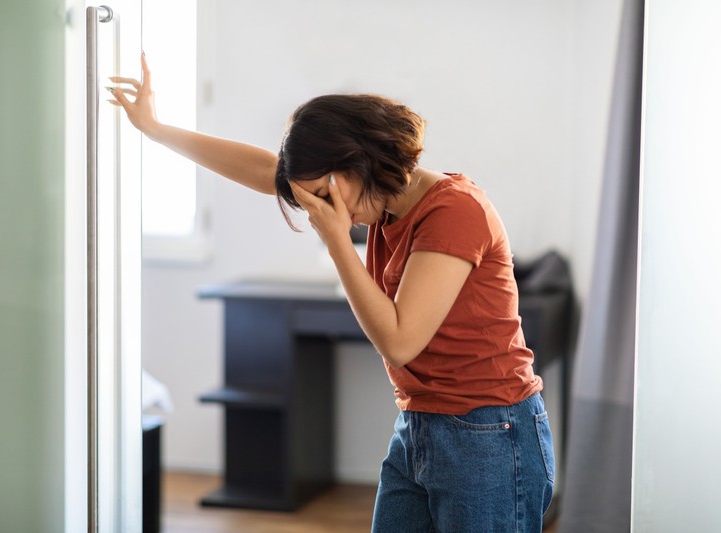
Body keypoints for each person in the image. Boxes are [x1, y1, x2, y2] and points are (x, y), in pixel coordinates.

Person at [109, 52, 555, 533]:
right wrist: (155, 130)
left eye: (322, 195)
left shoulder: (455, 211)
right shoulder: (382, 202)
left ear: (355, 162)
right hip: (421, 425)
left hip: (488, 432)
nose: (318, 209)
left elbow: (400, 341)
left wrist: (337, 240)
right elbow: (264, 170)